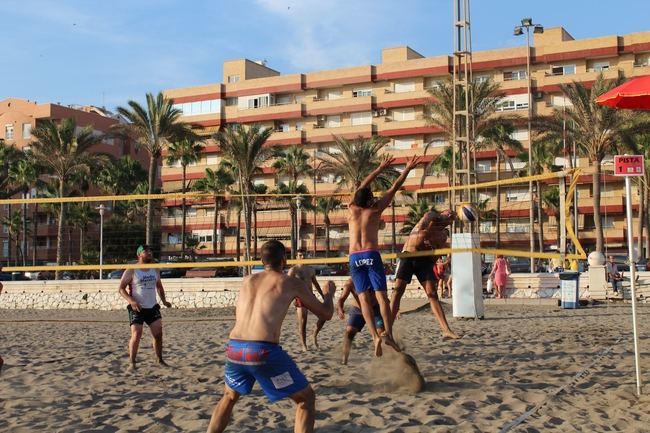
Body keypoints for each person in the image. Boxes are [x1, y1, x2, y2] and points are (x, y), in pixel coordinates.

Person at [206, 240, 334, 433]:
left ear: (261, 259)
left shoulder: (247, 280)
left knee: (229, 396)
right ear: (284, 260)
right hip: (262, 353)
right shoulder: (291, 282)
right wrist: (328, 294)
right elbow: (326, 314)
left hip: (234, 350)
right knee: (305, 399)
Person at [348, 155, 421, 356]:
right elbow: (395, 186)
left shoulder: (352, 209)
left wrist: (379, 169)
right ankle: (387, 334)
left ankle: (374, 336)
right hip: (371, 254)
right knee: (382, 298)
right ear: (370, 200)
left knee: (363, 300)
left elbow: (361, 188)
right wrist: (406, 169)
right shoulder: (376, 210)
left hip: (354, 256)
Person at [390, 210, 459, 340]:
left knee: (432, 293)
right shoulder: (430, 218)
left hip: (424, 261)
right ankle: (387, 330)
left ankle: (446, 330)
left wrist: (431, 249)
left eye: (452, 217)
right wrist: (442, 216)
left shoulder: (442, 236)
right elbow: (428, 216)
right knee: (398, 290)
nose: (450, 216)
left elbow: (434, 259)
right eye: (448, 214)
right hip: (408, 255)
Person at [118, 245, 172, 370]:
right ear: (139, 255)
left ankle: (159, 360)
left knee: (158, 335)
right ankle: (132, 362)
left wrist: (164, 301)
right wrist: (131, 301)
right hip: (137, 307)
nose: (149, 252)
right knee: (136, 334)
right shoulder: (132, 270)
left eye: (150, 250)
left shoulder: (155, 269)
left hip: (152, 306)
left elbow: (159, 286)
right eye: (145, 251)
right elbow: (121, 289)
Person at [337, 278, 385, 365]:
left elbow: (383, 297)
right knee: (349, 332)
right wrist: (340, 308)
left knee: (381, 333)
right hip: (358, 310)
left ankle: (380, 359)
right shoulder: (350, 282)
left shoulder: (373, 278)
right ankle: (344, 360)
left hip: (375, 308)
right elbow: (341, 299)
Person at [288, 250, 325, 351]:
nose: (303, 257)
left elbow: (316, 283)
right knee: (303, 321)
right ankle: (304, 345)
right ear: (296, 257)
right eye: (300, 255)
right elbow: (287, 286)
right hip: (300, 297)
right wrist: (290, 298)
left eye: (304, 255)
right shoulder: (293, 270)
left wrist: (322, 295)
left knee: (324, 316)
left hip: (310, 296)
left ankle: (314, 335)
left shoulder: (310, 270)